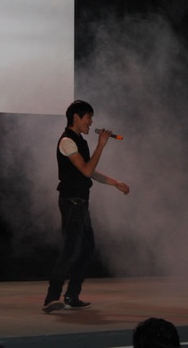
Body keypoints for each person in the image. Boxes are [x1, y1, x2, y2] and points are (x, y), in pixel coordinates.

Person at [42, 100, 130, 313]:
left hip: (80, 203)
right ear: (76, 117)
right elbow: (87, 170)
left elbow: (89, 171)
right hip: (72, 202)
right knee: (71, 250)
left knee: (86, 249)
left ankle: (72, 295)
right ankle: (51, 298)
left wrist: (115, 182)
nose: (91, 122)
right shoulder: (67, 141)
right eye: (88, 117)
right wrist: (101, 145)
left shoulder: (80, 141)